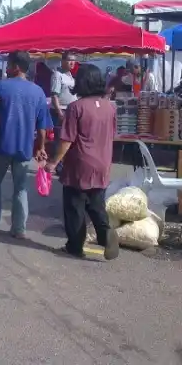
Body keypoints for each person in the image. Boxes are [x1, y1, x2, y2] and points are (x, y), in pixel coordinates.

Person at [45, 64, 120, 260]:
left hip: (79, 164)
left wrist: (53, 163)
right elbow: (112, 135)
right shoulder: (110, 107)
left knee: (74, 206)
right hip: (102, 162)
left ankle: (75, 246)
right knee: (96, 204)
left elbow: (67, 140)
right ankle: (106, 234)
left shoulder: (75, 107)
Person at [0, 52, 52, 238]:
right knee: (21, 187)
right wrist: (41, 148)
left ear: (16, 66)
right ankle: (19, 229)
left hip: (3, 144)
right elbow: (42, 127)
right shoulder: (38, 92)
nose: (7, 68)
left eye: (9, 64)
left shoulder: (1, 86)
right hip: (25, 147)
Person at [50, 53, 78, 136]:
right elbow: (54, 95)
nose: (72, 62)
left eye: (73, 60)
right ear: (62, 61)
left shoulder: (71, 76)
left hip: (71, 110)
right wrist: (59, 112)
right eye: (69, 60)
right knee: (60, 136)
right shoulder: (57, 74)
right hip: (61, 110)